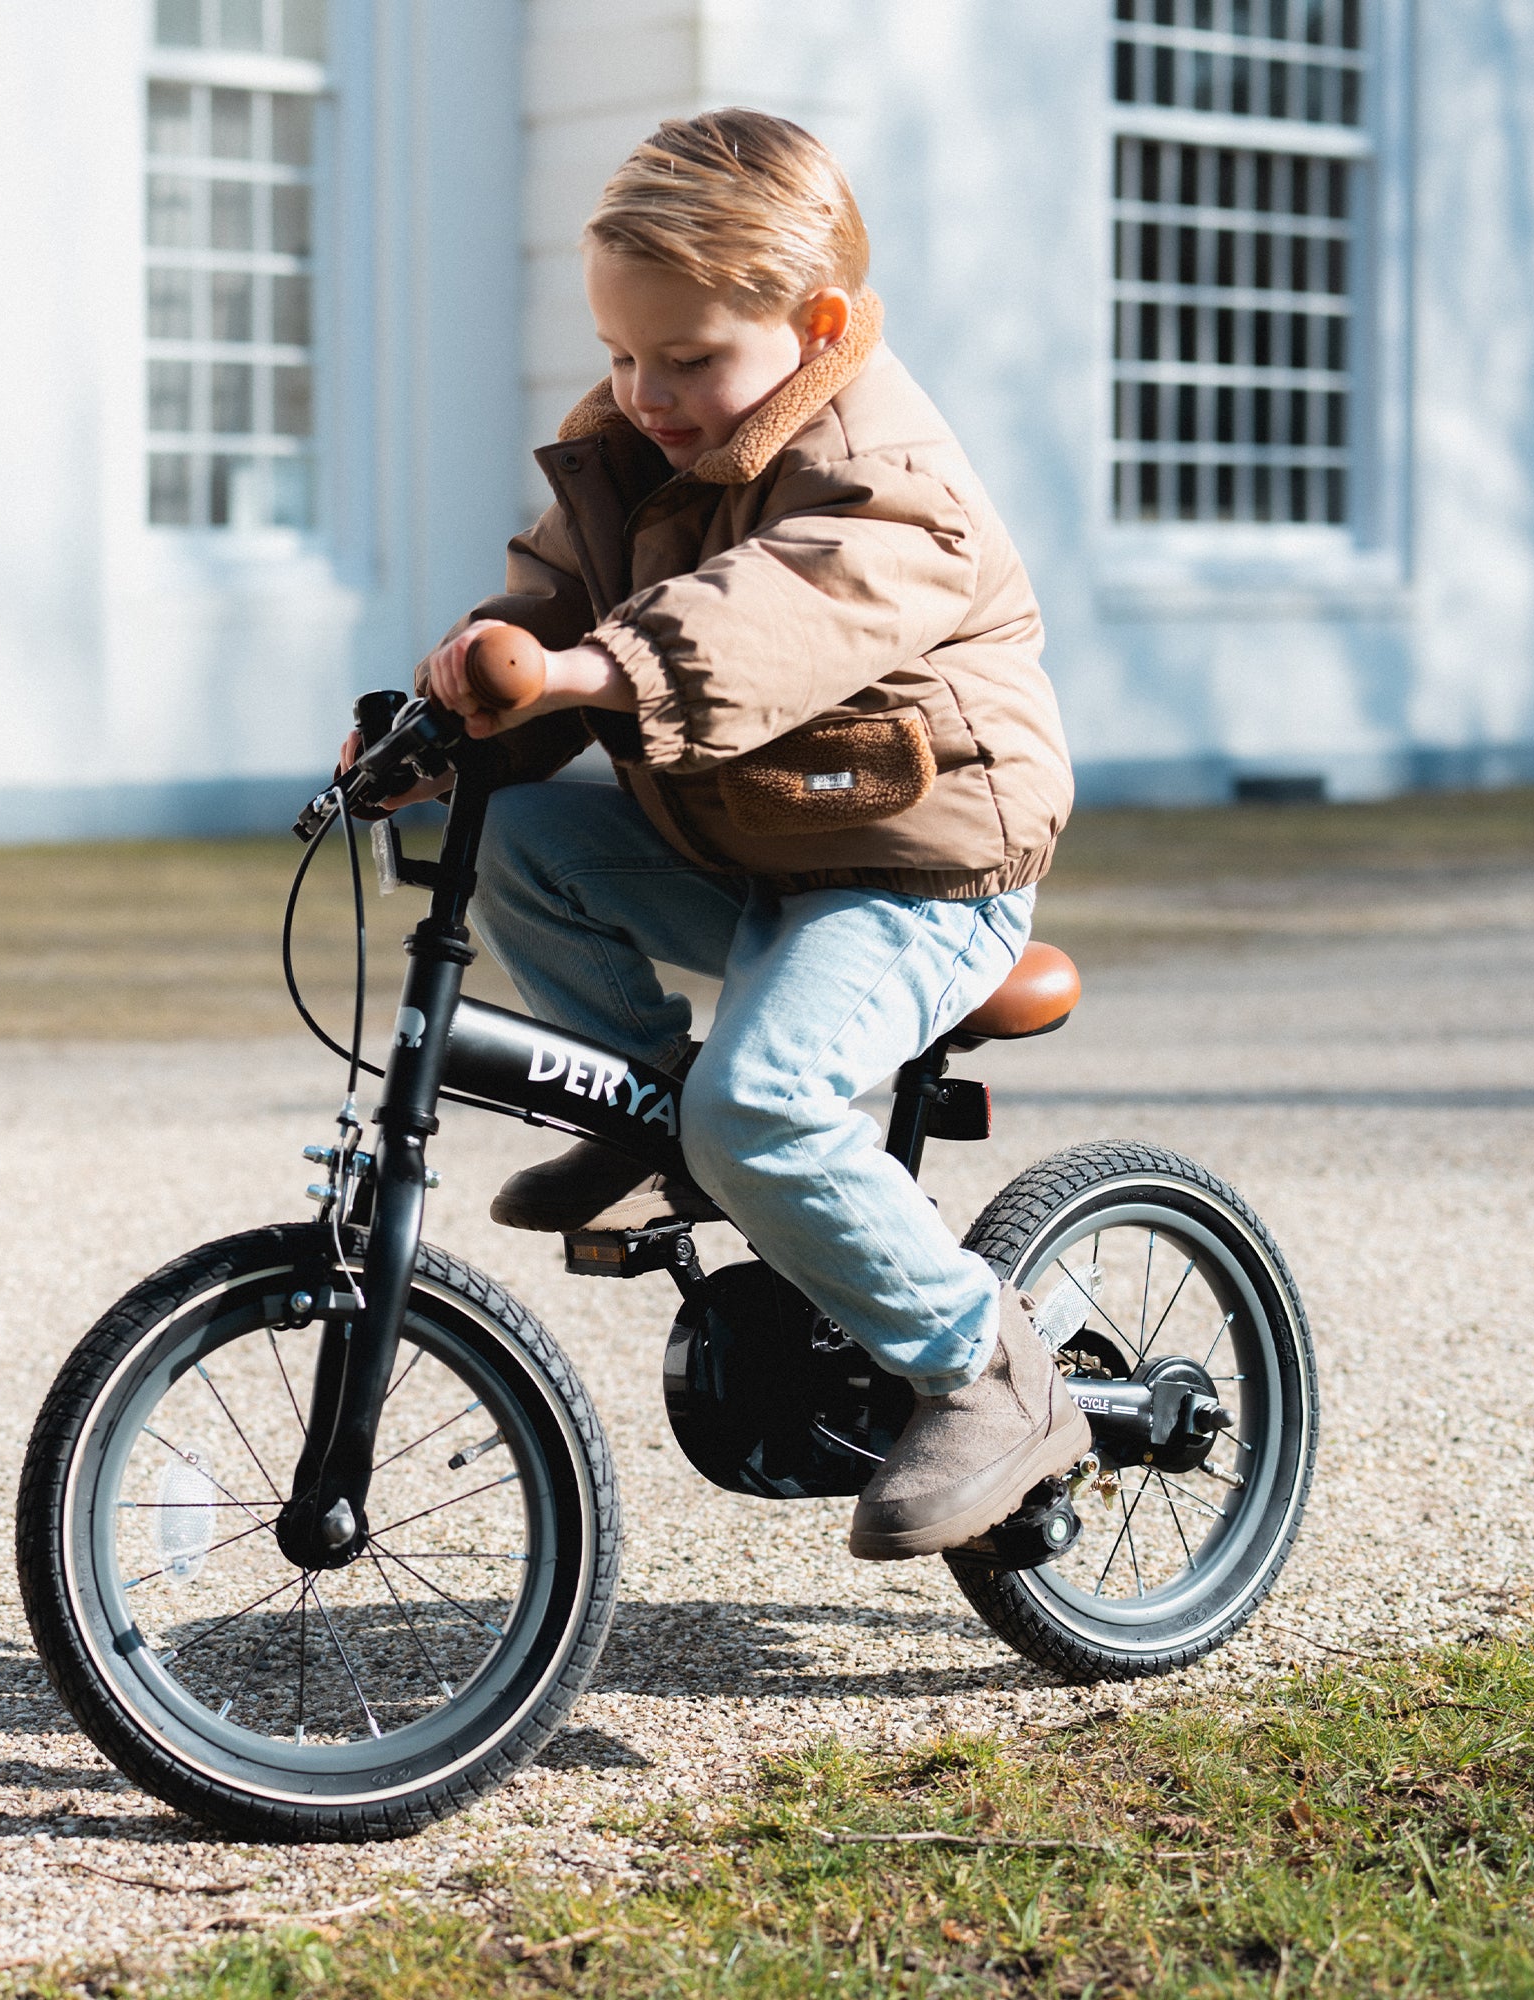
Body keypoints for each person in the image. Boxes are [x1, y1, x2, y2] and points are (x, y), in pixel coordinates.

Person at [358, 108, 1088, 1561]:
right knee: (517, 835)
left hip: (920, 867)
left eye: (688, 358)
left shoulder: (891, 472)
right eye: (624, 355)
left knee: (760, 1105)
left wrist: (598, 675)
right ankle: (648, 1115)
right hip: (758, 847)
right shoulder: (633, 442)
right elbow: (549, 597)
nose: (647, 392)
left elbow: (782, 610)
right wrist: (445, 720)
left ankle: (989, 1371)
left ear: (812, 325)